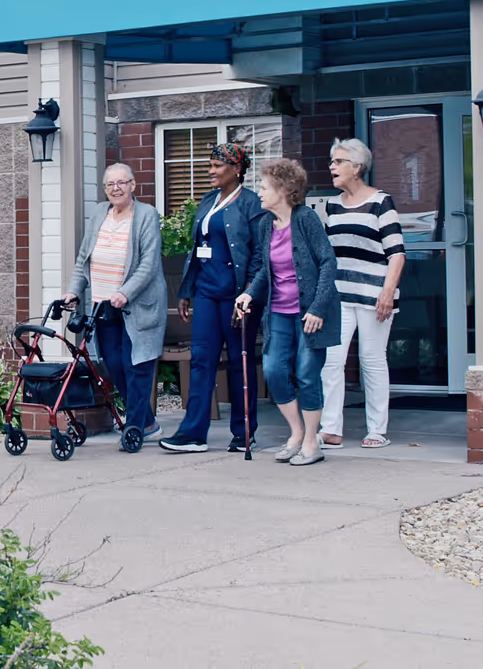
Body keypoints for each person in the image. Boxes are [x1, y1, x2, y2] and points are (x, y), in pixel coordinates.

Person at [235, 157, 339, 467]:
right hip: (279, 312)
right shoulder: (266, 224)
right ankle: (296, 433)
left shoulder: (305, 219)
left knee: (307, 374)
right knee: (275, 372)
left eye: (264, 187)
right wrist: (250, 293)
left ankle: (311, 441)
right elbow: (267, 271)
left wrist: (319, 308)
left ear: (283, 190)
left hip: (310, 312)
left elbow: (328, 262)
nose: (260, 192)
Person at [162, 142, 264, 454]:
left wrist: (247, 292)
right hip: (205, 292)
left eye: (218, 166)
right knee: (201, 361)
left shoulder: (251, 203)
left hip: (236, 296)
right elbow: (196, 250)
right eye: (211, 165)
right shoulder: (209, 200)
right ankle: (193, 433)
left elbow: (260, 253)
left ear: (237, 169)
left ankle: (243, 432)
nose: (211, 171)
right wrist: (187, 290)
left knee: (239, 363)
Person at [66, 162, 168, 447]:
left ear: (133, 185)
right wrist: (74, 291)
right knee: (113, 364)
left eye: (122, 183)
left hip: (138, 304)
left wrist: (125, 291)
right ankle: (147, 422)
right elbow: (84, 257)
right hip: (103, 303)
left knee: (136, 364)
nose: (116, 188)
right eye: (110, 184)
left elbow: (148, 264)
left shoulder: (146, 215)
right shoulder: (100, 213)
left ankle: (134, 426)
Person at [317, 138, 405, 450]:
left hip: (374, 295)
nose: (332, 167)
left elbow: (396, 254)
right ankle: (331, 429)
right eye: (332, 162)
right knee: (331, 360)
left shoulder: (382, 202)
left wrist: (388, 292)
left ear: (357, 167)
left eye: (338, 161)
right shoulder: (332, 205)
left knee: (372, 359)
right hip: (341, 295)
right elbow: (328, 254)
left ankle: (377, 430)